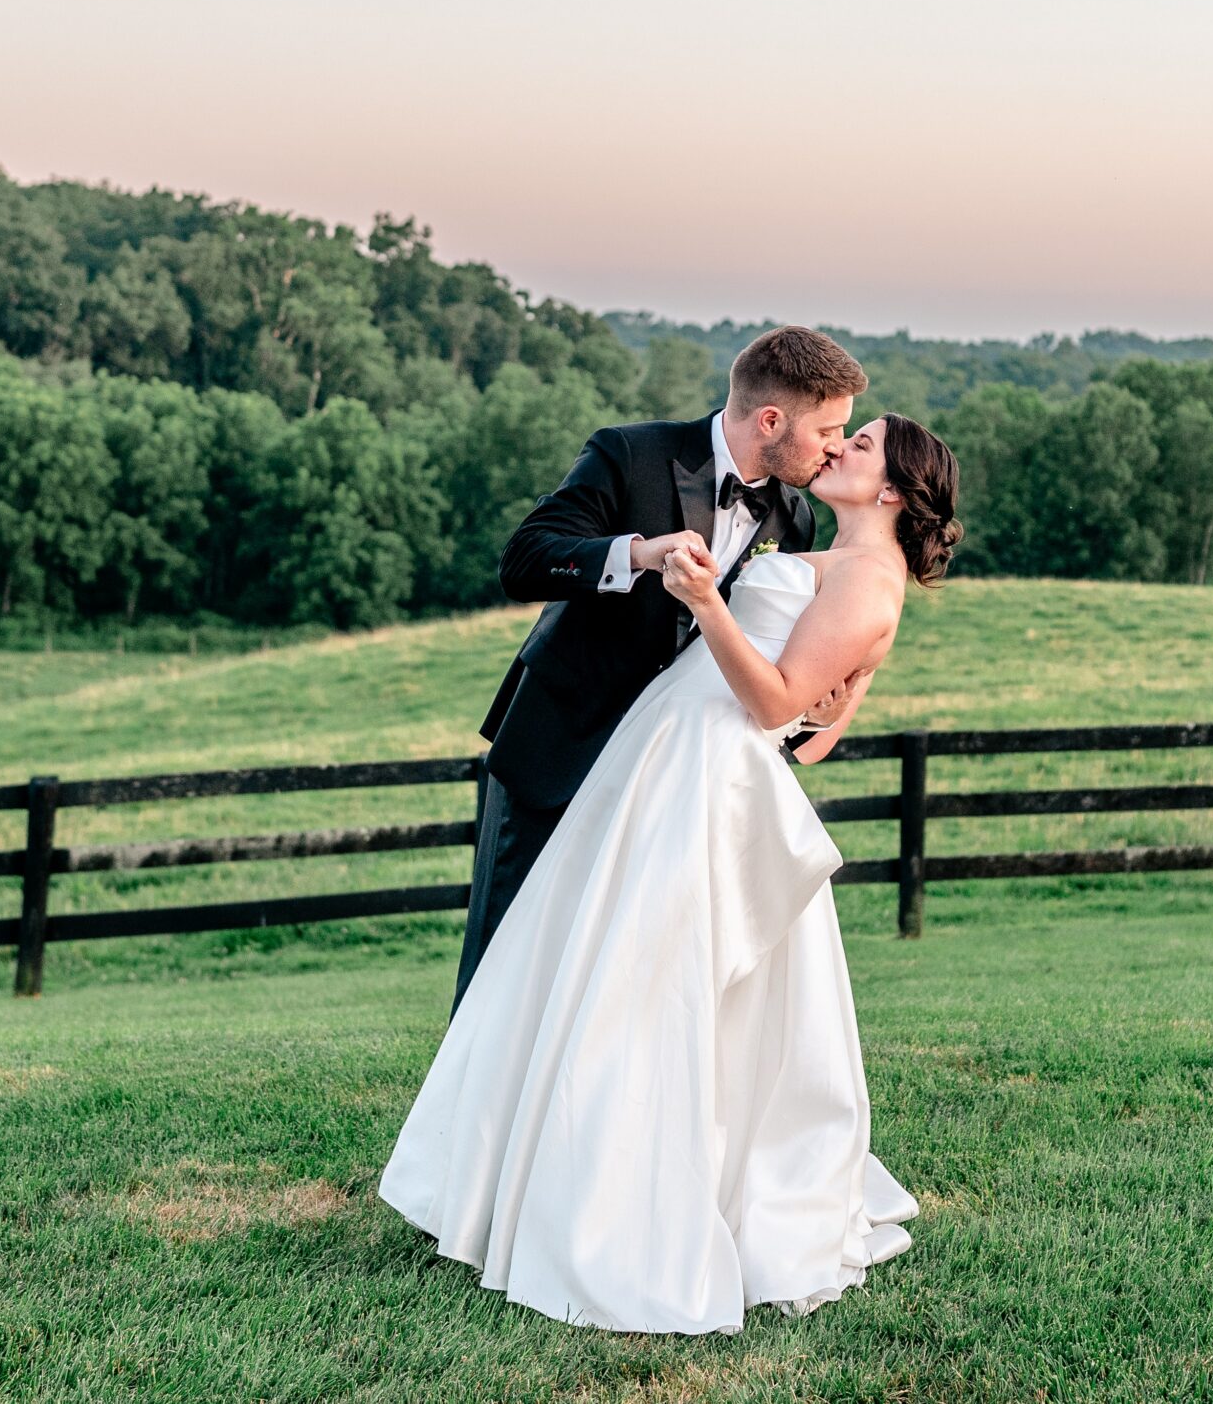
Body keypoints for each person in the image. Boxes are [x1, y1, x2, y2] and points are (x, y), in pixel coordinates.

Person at [381, 410, 963, 1333]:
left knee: (642, 993)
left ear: (891, 489)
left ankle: (611, 1211)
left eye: (859, 443)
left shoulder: (868, 583)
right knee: (578, 971)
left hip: (704, 782)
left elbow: (772, 701)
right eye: (839, 431)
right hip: (658, 756)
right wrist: (825, 703)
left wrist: (708, 605)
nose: (839, 447)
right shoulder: (808, 538)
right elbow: (811, 730)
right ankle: (514, 1183)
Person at [455, 325, 870, 1010]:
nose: (834, 446)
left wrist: (812, 712)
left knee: (608, 979)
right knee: (502, 969)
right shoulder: (632, 452)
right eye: (828, 429)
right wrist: (639, 554)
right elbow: (525, 557)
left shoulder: (794, 519)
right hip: (564, 745)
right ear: (771, 418)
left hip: (669, 780)